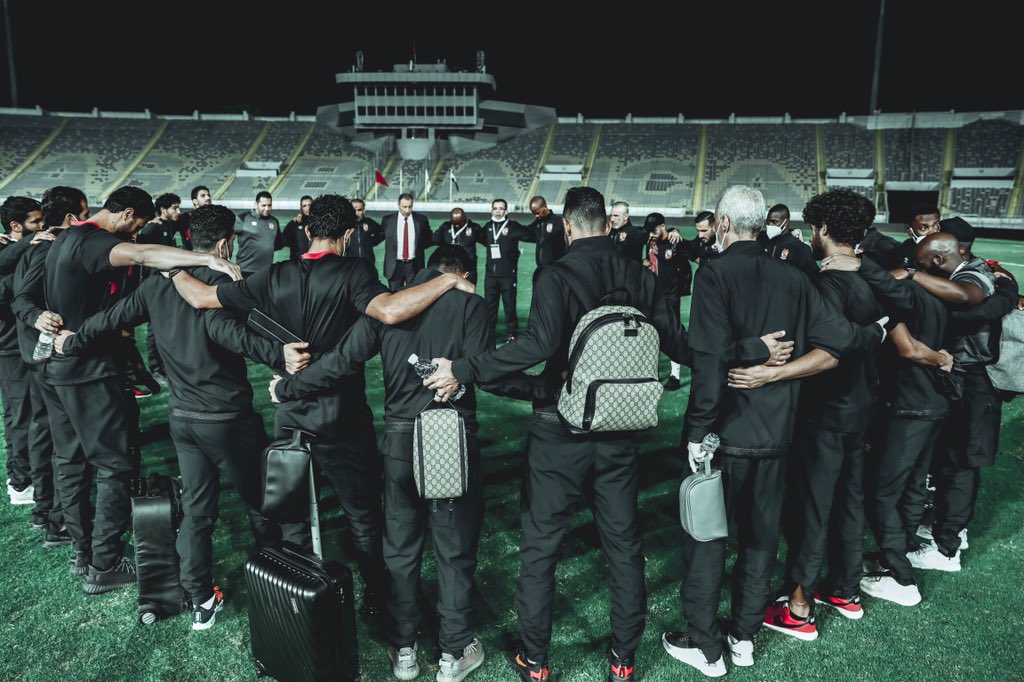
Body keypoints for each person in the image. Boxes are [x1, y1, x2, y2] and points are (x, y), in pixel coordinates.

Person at [424, 187, 727, 682]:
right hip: (621, 433)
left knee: (540, 548)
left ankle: (537, 662)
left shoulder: (556, 274)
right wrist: (746, 351)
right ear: (608, 225)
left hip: (559, 430)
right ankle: (623, 661)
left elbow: (538, 346)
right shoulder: (639, 275)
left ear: (567, 227)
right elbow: (680, 344)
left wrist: (465, 367)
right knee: (625, 548)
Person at [168, 193, 476, 617]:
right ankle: (375, 596)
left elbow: (202, 299)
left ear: (308, 230)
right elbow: (388, 311)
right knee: (363, 515)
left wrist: (173, 268)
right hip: (341, 417)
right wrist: (445, 280)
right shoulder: (355, 271)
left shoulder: (274, 275)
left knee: (293, 518)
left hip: (289, 415)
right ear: (349, 235)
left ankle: (300, 602)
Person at [271, 244, 543, 682]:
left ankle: (405, 650)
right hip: (450, 437)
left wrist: (289, 387)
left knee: (399, 550)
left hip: (399, 440)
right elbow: (486, 373)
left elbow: (340, 362)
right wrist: (547, 390)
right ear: (462, 273)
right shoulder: (471, 305)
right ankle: (454, 653)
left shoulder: (390, 306)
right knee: (454, 550)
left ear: (427, 271)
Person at [53, 203, 298, 630]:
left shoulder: (156, 285)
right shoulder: (225, 282)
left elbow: (109, 319)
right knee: (262, 500)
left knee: (199, 511)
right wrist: (282, 355)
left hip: (182, 419)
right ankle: (281, 581)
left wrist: (71, 342)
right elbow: (237, 332)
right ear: (225, 243)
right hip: (226, 418)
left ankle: (200, 597)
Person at [663, 185, 870, 677]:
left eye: (715, 222)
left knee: (708, 540)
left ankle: (706, 646)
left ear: (727, 224)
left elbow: (710, 360)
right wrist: (880, 328)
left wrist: (697, 431)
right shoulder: (796, 277)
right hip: (779, 434)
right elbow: (841, 342)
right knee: (759, 540)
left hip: (724, 434)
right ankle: (744, 638)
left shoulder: (714, 273)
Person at [12, 186, 243, 595]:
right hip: (89, 370)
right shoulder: (100, 242)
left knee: (70, 460)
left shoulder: (64, 237)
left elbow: (25, 295)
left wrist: (37, 317)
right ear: (127, 215)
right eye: (136, 225)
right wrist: (203, 257)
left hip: (57, 367)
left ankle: (84, 552)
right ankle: (105, 562)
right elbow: (141, 255)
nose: (135, 234)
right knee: (116, 465)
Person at [738, 189, 887, 641]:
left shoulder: (826, 285)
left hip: (827, 414)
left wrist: (768, 376)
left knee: (812, 510)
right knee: (849, 501)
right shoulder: (869, 279)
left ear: (822, 230)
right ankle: (845, 589)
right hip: (862, 410)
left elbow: (830, 354)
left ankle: (798, 606)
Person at [820, 237, 953, 609]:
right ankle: (897, 557)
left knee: (881, 493)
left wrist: (938, 358)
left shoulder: (897, 297)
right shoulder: (939, 297)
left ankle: (900, 576)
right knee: (912, 488)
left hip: (910, 405)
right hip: (934, 403)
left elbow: (907, 348)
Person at [899, 231, 1016, 571]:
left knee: (960, 464)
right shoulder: (980, 274)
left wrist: (910, 277)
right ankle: (951, 529)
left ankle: (947, 548)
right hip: (970, 383)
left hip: (976, 384)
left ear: (937, 261)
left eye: (924, 266)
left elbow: (964, 306)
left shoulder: (973, 277)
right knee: (953, 460)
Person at [10, 186, 88, 545]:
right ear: (72, 217)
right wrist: (38, 315)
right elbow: (21, 298)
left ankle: (46, 511)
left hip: (35, 356)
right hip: (42, 356)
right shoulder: (46, 248)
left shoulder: (38, 244)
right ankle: (57, 518)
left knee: (46, 434)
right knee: (60, 440)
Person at [0, 196, 44, 506]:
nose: (42, 227)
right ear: (17, 226)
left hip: (19, 345)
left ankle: (22, 473)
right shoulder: (10, 251)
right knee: (21, 416)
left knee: (23, 413)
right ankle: (20, 484)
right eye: (35, 222)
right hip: (9, 349)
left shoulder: (14, 248)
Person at [137, 192, 182, 380]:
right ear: (163, 209)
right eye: (174, 207)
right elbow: (139, 254)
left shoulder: (169, 225)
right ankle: (155, 369)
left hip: (167, 283)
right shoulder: (151, 229)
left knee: (165, 324)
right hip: (154, 284)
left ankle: (165, 364)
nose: (178, 211)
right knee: (154, 327)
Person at [643, 212, 688, 391]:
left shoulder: (675, 242)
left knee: (673, 333)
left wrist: (674, 231)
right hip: (653, 294)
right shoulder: (650, 240)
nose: (651, 234)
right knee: (651, 332)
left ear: (663, 226)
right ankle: (651, 372)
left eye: (654, 230)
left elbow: (686, 264)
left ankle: (675, 375)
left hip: (670, 296)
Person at [478, 198, 529, 344]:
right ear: (492, 210)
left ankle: (512, 335)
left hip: (508, 275)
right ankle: (489, 334)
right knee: (490, 307)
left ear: (506, 211)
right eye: (495, 208)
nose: (498, 211)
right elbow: (483, 240)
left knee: (509, 306)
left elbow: (529, 234)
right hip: (491, 275)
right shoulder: (488, 227)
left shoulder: (513, 226)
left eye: (501, 208)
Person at [381, 193, 431, 291]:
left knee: (414, 296)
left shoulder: (421, 220)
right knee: (394, 297)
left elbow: (428, 239)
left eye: (410, 206)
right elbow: (379, 236)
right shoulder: (387, 220)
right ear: (398, 205)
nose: (407, 210)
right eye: (404, 207)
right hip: (394, 266)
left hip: (414, 266)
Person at [758, 203, 818, 278]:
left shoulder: (800, 248)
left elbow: (812, 277)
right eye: (768, 222)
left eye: (774, 222)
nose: (770, 225)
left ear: (785, 223)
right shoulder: (761, 239)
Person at [234, 191, 283, 276]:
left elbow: (277, 244)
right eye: (263, 205)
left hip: (266, 271)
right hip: (245, 270)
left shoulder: (274, 221)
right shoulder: (243, 218)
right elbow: (226, 235)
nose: (267, 209)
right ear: (256, 204)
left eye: (269, 205)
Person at [432, 207, 481, 284]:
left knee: (468, 289)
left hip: (468, 266)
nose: (457, 226)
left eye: (459, 223)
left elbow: (485, 240)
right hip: (449, 266)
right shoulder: (445, 227)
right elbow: (435, 239)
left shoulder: (474, 228)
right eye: (455, 224)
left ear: (465, 218)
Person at [517, 196, 566, 267]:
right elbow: (525, 232)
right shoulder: (538, 223)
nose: (536, 216)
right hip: (541, 268)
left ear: (545, 206)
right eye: (534, 213)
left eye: (538, 212)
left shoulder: (559, 222)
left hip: (556, 268)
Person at [346, 198, 384, 267]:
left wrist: (373, 241)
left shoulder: (369, 222)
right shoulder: (345, 225)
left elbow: (382, 232)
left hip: (368, 263)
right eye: (354, 210)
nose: (356, 213)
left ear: (364, 210)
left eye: (359, 210)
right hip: (350, 264)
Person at [176, 185, 213, 250]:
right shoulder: (185, 217)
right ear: (195, 201)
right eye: (203, 196)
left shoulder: (216, 216)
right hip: (192, 257)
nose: (208, 198)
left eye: (208, 195)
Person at [281, 195, 313, 261]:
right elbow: (282, 241)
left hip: (315, 264)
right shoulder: (293, 224)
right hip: (297, 263)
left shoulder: (319, 223)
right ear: (301, 208)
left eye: (309, 205)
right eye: (304, 206)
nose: (307, 208)